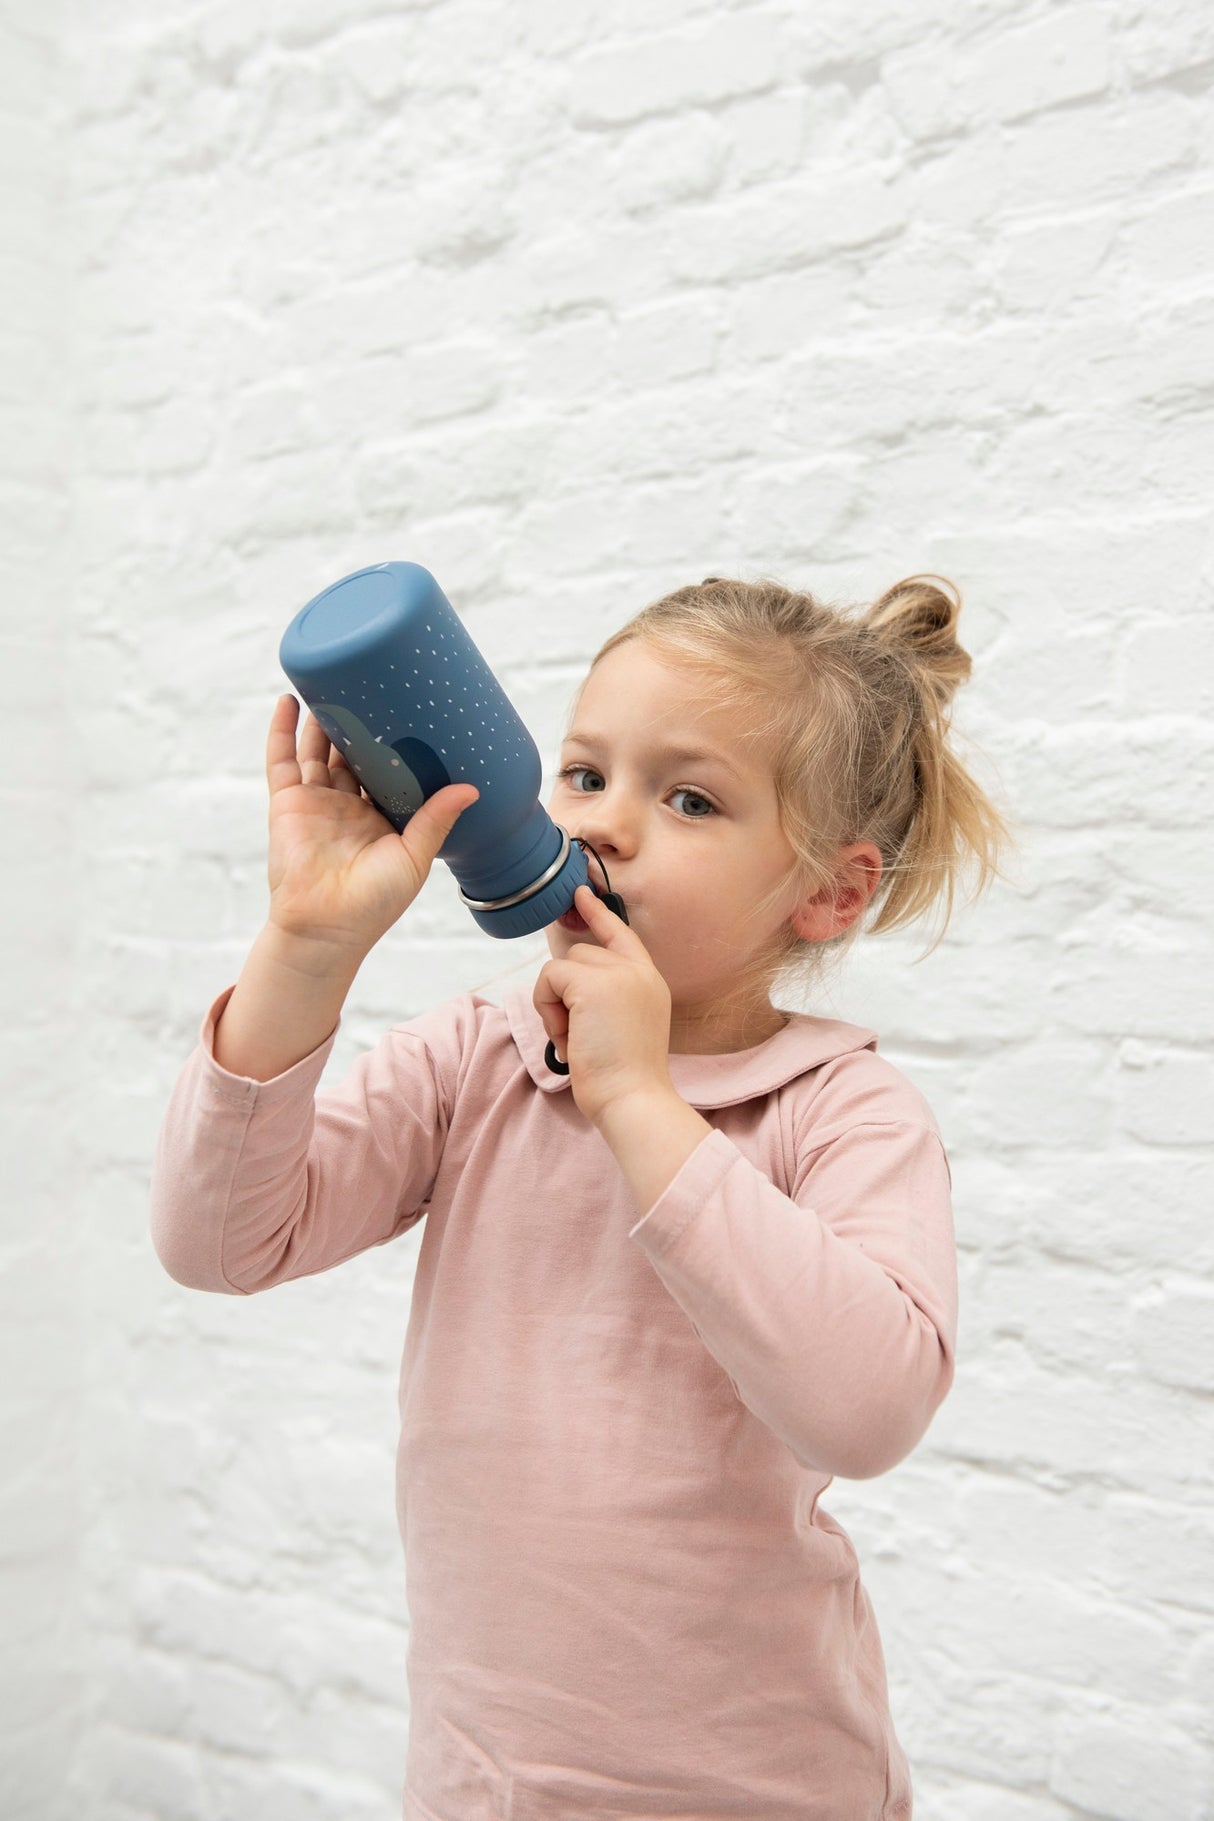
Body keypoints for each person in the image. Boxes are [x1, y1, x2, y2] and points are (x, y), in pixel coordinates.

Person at [151, 572, 1007, 1820]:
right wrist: (306, 952)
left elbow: (867, 1414)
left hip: (754, 1787)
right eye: (583, 774)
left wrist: (641, 1104)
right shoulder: (475, 1055)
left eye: (690, 798)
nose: (603, 824)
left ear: (826, 892)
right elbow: (219, 1242)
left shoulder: (839, 1111)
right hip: (480, 1778)